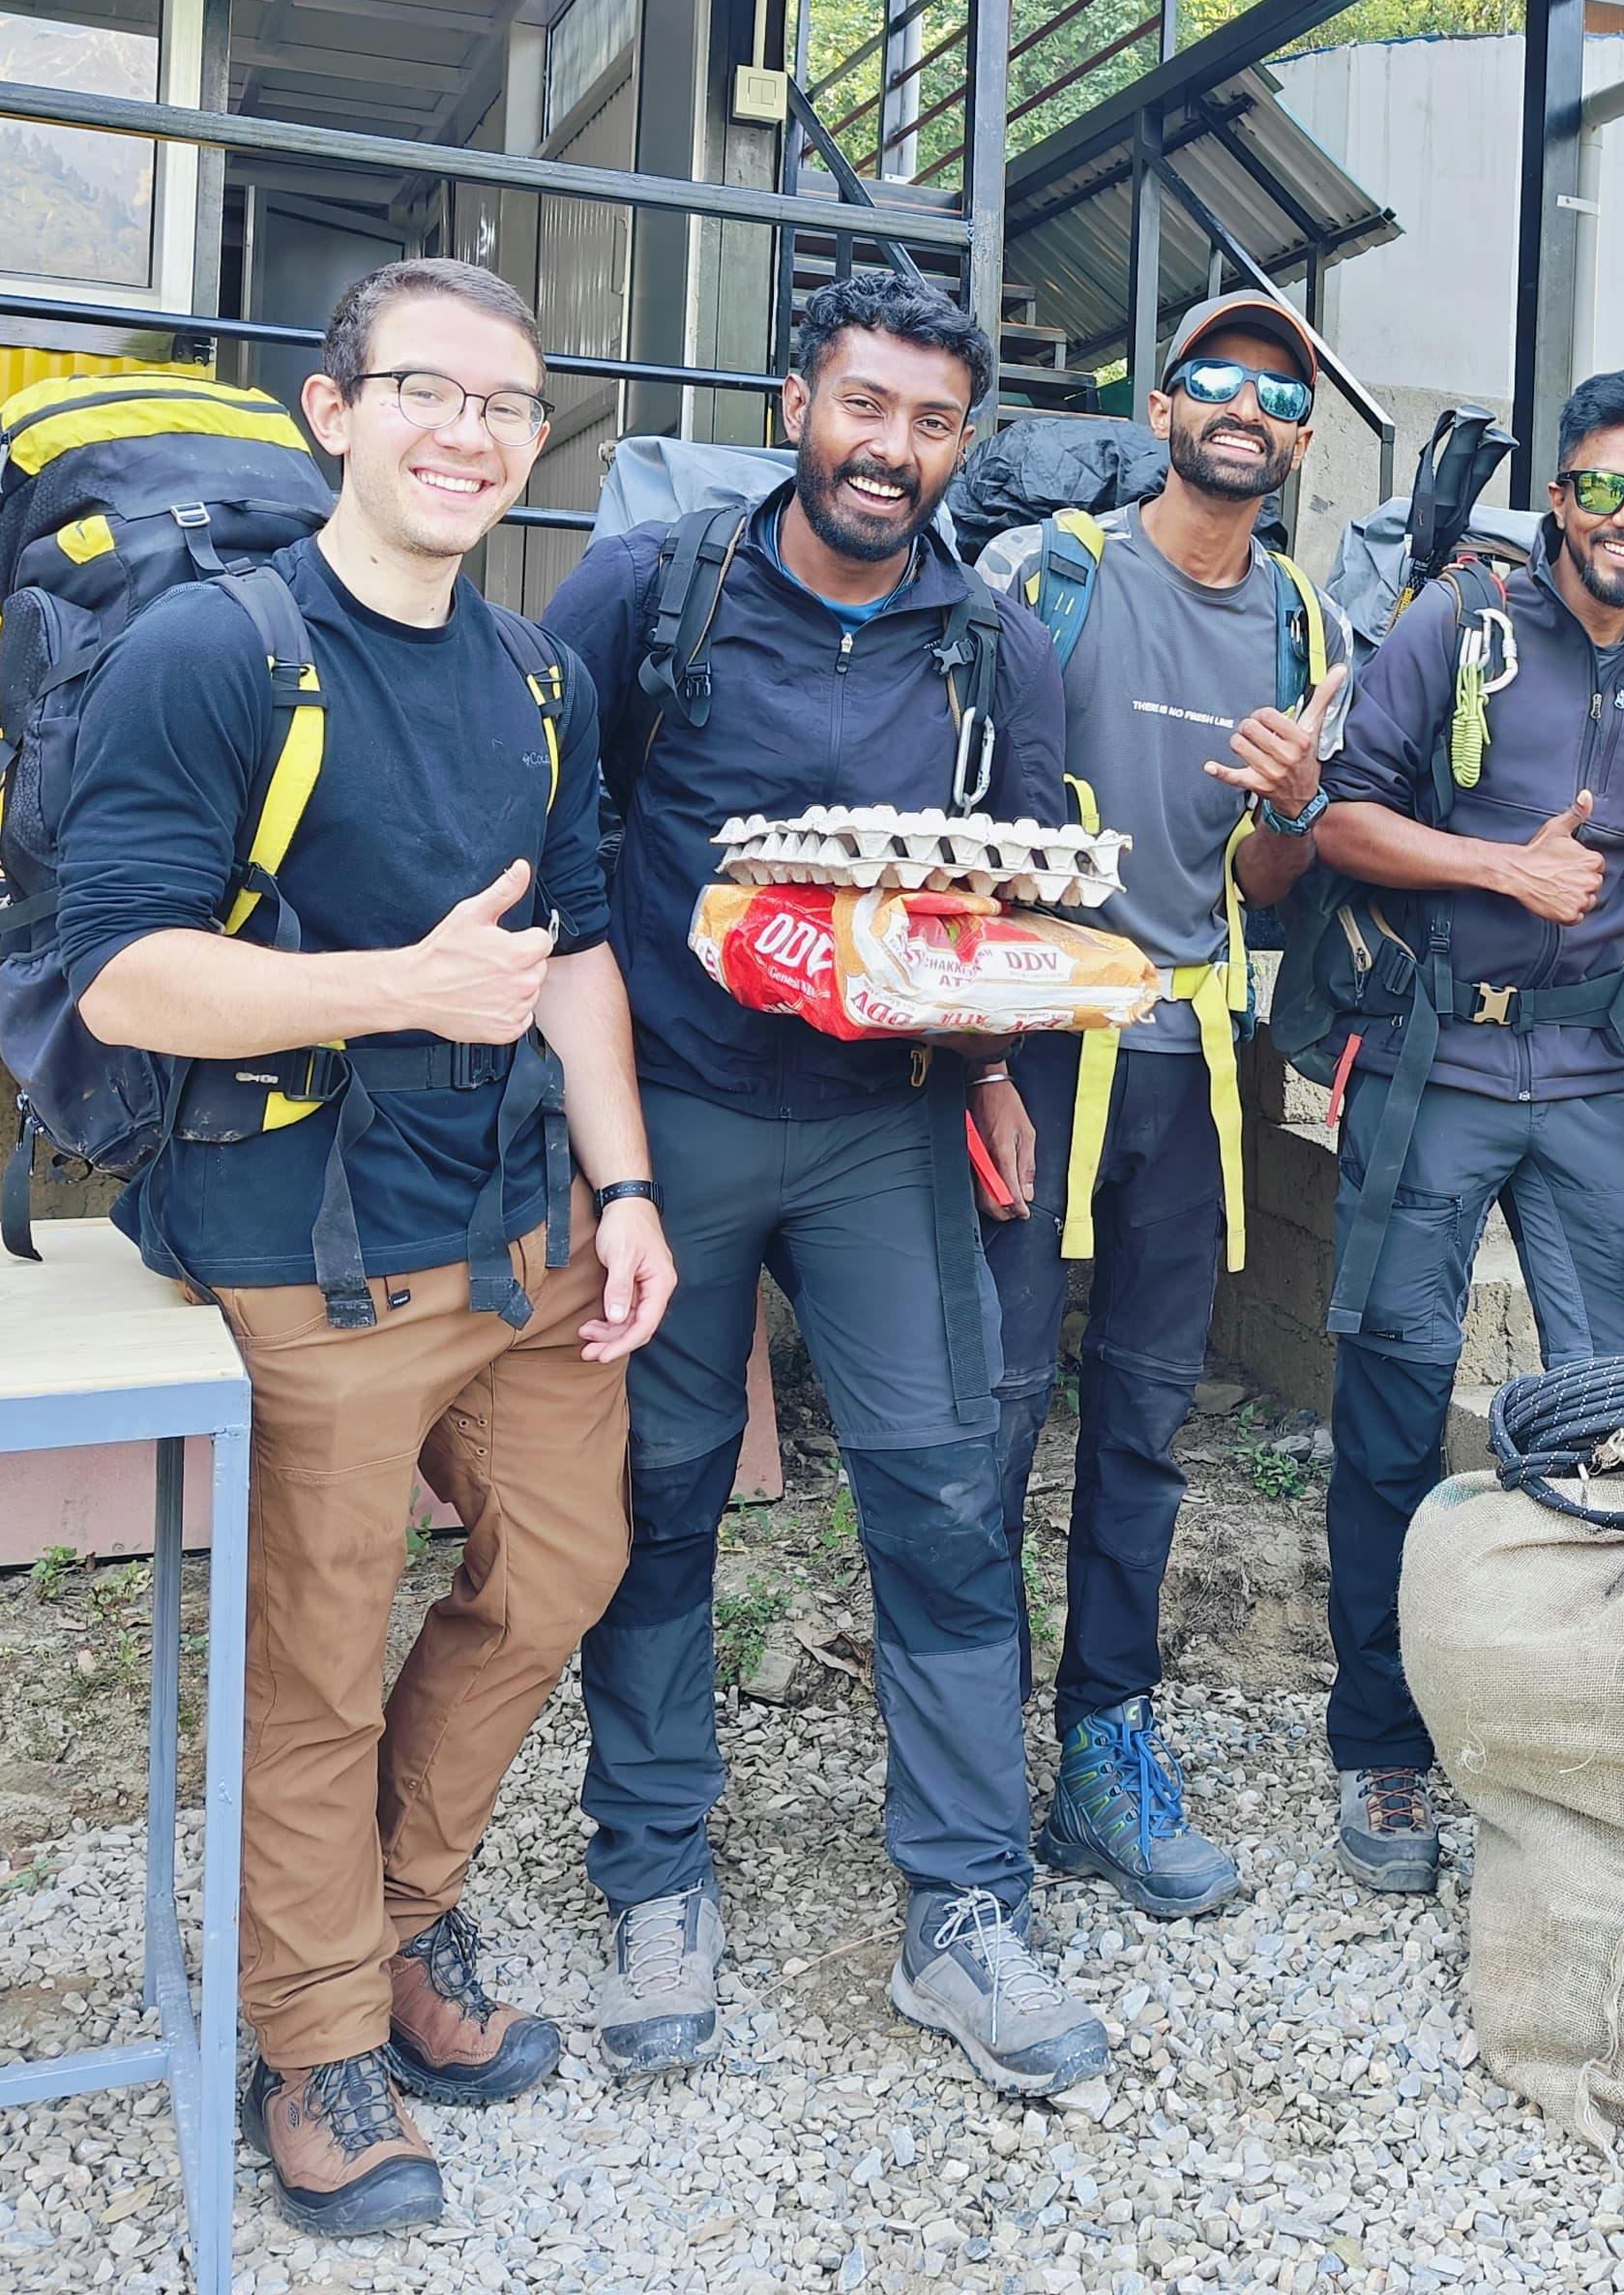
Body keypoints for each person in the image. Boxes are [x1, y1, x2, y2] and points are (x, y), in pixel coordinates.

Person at [63, 254, 675, 2242]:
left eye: (507, 406)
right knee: (315, 1662)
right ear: (331, 413)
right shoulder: (215, 655)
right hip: (298, 1255)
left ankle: (389, 1925)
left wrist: (631, 1190)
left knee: (561, 1574)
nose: (469, 434)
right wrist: (395, 985)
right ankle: (316, 2037)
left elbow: (573, 952)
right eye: (426, 390)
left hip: (521, 1241)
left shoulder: (535, 679)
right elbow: (127, 986)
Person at [546, 268, 1097, 2101]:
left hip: (884, 1125)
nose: (894, 449)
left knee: (945, 1500)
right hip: (678, 1124)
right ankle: (653, 1871)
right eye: (865, 406)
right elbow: (558, 846)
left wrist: (998, 1067)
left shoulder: (992, 643)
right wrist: (580, 1120)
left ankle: (963, 1905)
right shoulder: (656, 592)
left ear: (964, 442)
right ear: (798, 404)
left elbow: (1003, 882)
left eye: (934, 421)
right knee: (662, 1495)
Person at [1299, 368, 1624, 1894]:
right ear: (1561, 493)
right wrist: (1505, 872)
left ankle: (1584, 1724)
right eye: (1608, 486)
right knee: (1391, 1398)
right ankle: (1380, 1743)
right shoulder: (1461, 624)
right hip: (1437, 1062)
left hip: (1592, 1074)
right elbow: (1339, 819)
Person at [985, 291, 1351, 1921]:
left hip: (1188, 1061)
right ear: (1160, 400)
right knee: (987, 1410)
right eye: (1216, 378)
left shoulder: (1304, 620)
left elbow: (1264, 881)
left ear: (1297, 436)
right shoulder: (1049, 573)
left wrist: (1296, 802)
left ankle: (1102, 1747)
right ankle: (962, 1763)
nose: (1243, 406)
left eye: (1276, 390)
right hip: (1035, 1042)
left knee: (1143, 1415)